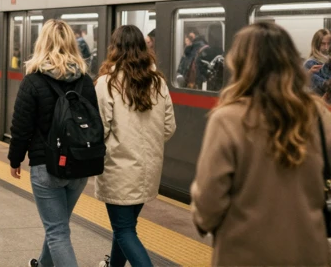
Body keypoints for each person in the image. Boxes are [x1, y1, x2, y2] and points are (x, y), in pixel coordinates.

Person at [191, 22, 331, 265]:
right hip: (309, 252)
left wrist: (204, 222)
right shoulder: (318, 114)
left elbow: (209, 199)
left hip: (245, 253)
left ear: (241, 63)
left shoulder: (227, 118)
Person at [7, 19, 97, 267]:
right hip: (79, 167)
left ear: (42, 44)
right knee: (58, 226)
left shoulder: (33, 81)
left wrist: (15, 159)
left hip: (46, 166)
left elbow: (21, 127)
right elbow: (94, 122)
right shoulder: (85, 81)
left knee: (57, 232)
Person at [95, 26, 176, 267]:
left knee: (124, 230)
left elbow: (101, 130)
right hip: (148, 169)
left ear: (114, 48)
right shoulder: (158, 82)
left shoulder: (107, 83)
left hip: (119, 168)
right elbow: (169, 127)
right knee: (125, 227)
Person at [304, 28, 331, 95]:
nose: (326, 47)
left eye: (329, 43)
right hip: (319, 102)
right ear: (316, 44)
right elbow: (324, 86)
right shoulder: (311, 63)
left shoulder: (328, 59)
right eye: (323, 44)